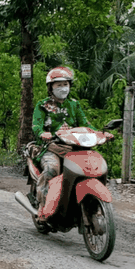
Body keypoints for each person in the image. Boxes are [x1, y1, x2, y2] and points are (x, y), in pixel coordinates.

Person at [31, 66, 95, 214]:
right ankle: (43, 207)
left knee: (91, 168)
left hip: (74, 147)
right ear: (50, 87)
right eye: (58, 85)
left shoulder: (74, 104)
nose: (63, 88)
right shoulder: (42, 105)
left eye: (65, 84)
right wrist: (42, 133)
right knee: (51, 170)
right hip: (50, 147)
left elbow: (85, 124)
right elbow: (36, 125)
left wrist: (99, 133)